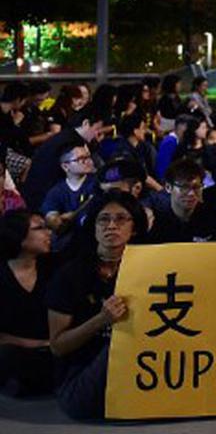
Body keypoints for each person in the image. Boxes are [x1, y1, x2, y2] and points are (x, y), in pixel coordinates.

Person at [46, 192, 147, 419]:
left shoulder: (147, 272)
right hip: (80, 381)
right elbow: (58, 346)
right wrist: (101, 320)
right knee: (118, 344)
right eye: (103, 219)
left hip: (136, 375)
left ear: (134, 228)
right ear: (93, 227)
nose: (111, 225)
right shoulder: (70, 275)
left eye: (121, 219)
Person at [0, 209, 55, 396]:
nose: (48, 233)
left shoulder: (53, 267)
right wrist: (40, 343)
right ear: (20, 237)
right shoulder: (3, 274)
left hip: (54, 351)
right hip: (16, 351)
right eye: (40, 228)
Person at [147, 158, 216, 243]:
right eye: (184, 187)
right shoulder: (156, 221)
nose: (191, 193)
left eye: (196, 187)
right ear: (168, 187)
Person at [40, 141, 99, 239]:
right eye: (80, 159)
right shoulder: (57, 191)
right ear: (65, 166)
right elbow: (51, 217)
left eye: (88, 157)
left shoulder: (97, 183)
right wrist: (56, 220)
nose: (87, 161)